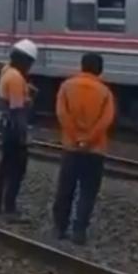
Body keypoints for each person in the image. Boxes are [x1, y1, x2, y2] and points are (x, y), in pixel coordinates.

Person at [52, 52, 116, 245]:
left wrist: (76, 138)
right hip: (95, 150)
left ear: (82, 66)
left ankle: (59, 228)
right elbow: (106, 120)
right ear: (100, 69)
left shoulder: (66, 86)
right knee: (88, 191)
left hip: (71, 148)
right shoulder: (105, 92)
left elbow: (62, 114)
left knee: (65, 189)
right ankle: (79, 231)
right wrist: (88, 139)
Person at [0, 39, 38, 220]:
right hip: (14, 129)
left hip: (5, 126)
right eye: (30, 62)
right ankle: (9, 208)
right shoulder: (16, 77)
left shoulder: (7, 71)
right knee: (16, 169)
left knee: (4, 166)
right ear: (24, 60)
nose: (30, 67)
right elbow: (18, 111)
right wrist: (25, 135)